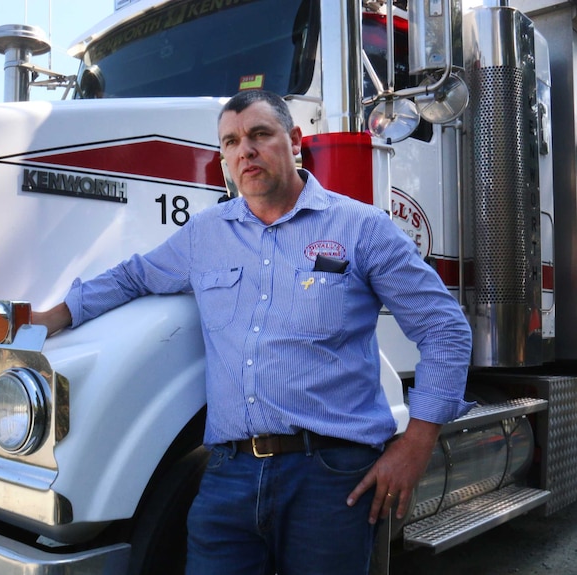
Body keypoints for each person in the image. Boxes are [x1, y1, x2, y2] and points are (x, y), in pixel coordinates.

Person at [33, 89, 473, 575]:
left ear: (295, 140)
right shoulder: (204, 234)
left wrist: (417, 443)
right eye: (231, 142)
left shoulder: (361, 229)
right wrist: (53, 316)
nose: (246, 150)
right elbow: (132, 275)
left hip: (331, 479)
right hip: (228, 479)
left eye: (261, 134)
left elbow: (444, 328)